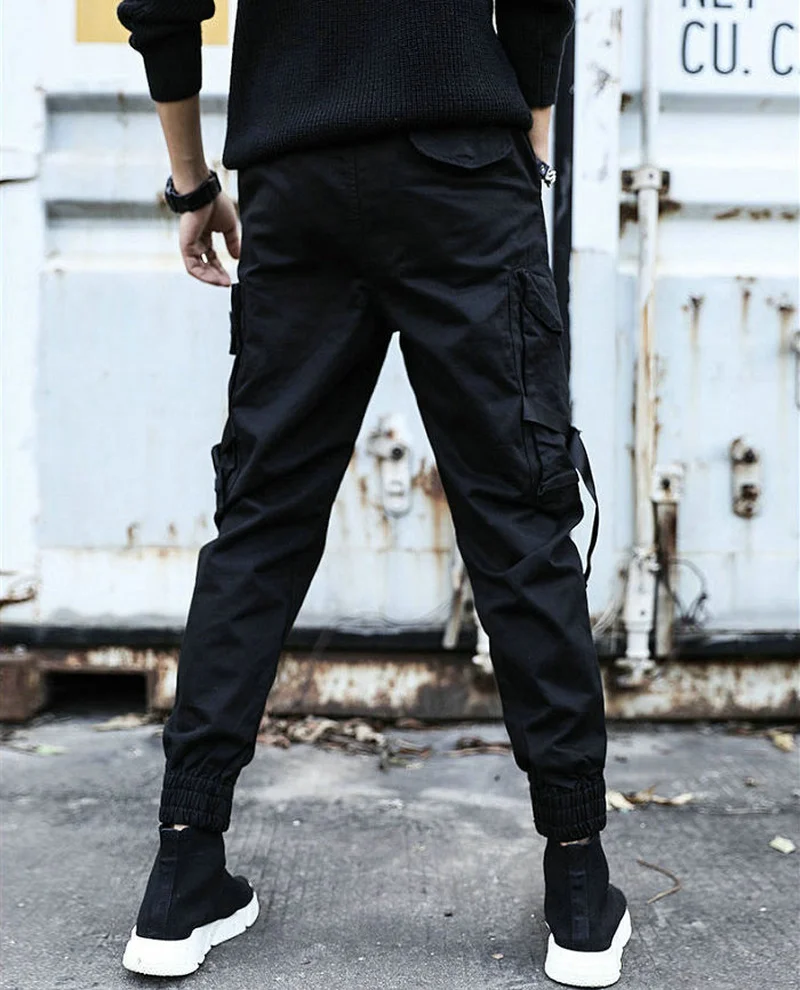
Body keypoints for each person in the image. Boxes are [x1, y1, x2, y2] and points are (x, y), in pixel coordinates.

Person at [115, 1, 630, 986]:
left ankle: (181, 873)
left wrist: (194, 185)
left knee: (260, 525)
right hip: (461, 167)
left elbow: (160, 5)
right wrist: (529, 137)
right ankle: (577, 884)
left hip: (295, 170)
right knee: (519, 522)